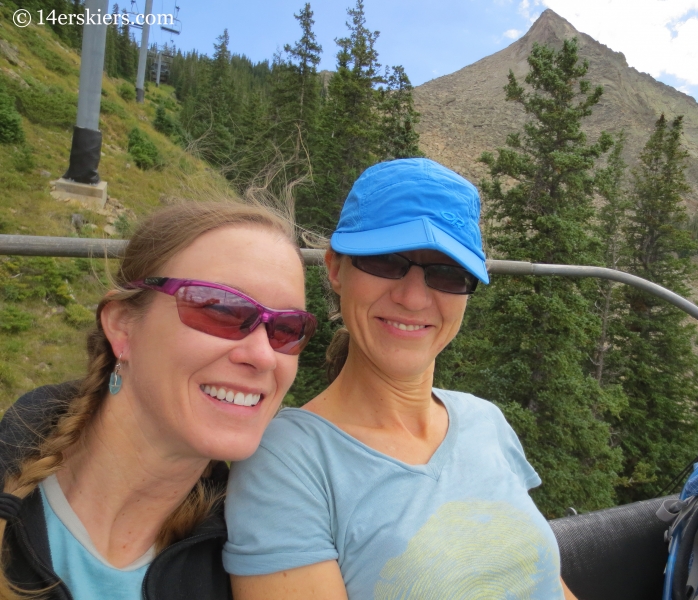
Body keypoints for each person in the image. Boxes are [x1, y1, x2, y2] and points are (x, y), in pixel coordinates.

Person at [223, 158, 577, 599]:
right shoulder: (288, 461)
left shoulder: (485, 421)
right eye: (386, 262)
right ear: (335, 268)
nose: (412, 298)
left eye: (447, 273)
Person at [0, 201, 317, 600]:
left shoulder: (259, 561)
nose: (263, 356)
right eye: (220, 308)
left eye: (288, 328)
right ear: (122, 325)